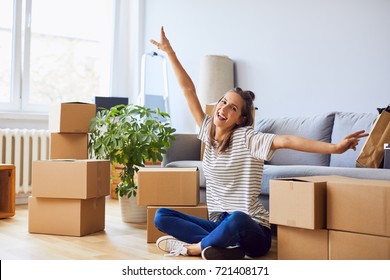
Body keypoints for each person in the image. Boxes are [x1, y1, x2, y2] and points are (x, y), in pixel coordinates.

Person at [150, 27, 368, 260]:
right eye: (222, 102)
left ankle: (194, 247)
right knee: (161, 216)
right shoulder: (207, 131)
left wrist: (334, 148)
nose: (223, 108)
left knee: (236, 218)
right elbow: (187, 89)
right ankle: (222, 247)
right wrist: (169, 52)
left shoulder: (248, 138)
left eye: (232, 108)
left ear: (241, 118)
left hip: (252, 229)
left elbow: (287, 140)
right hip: (221, 224)